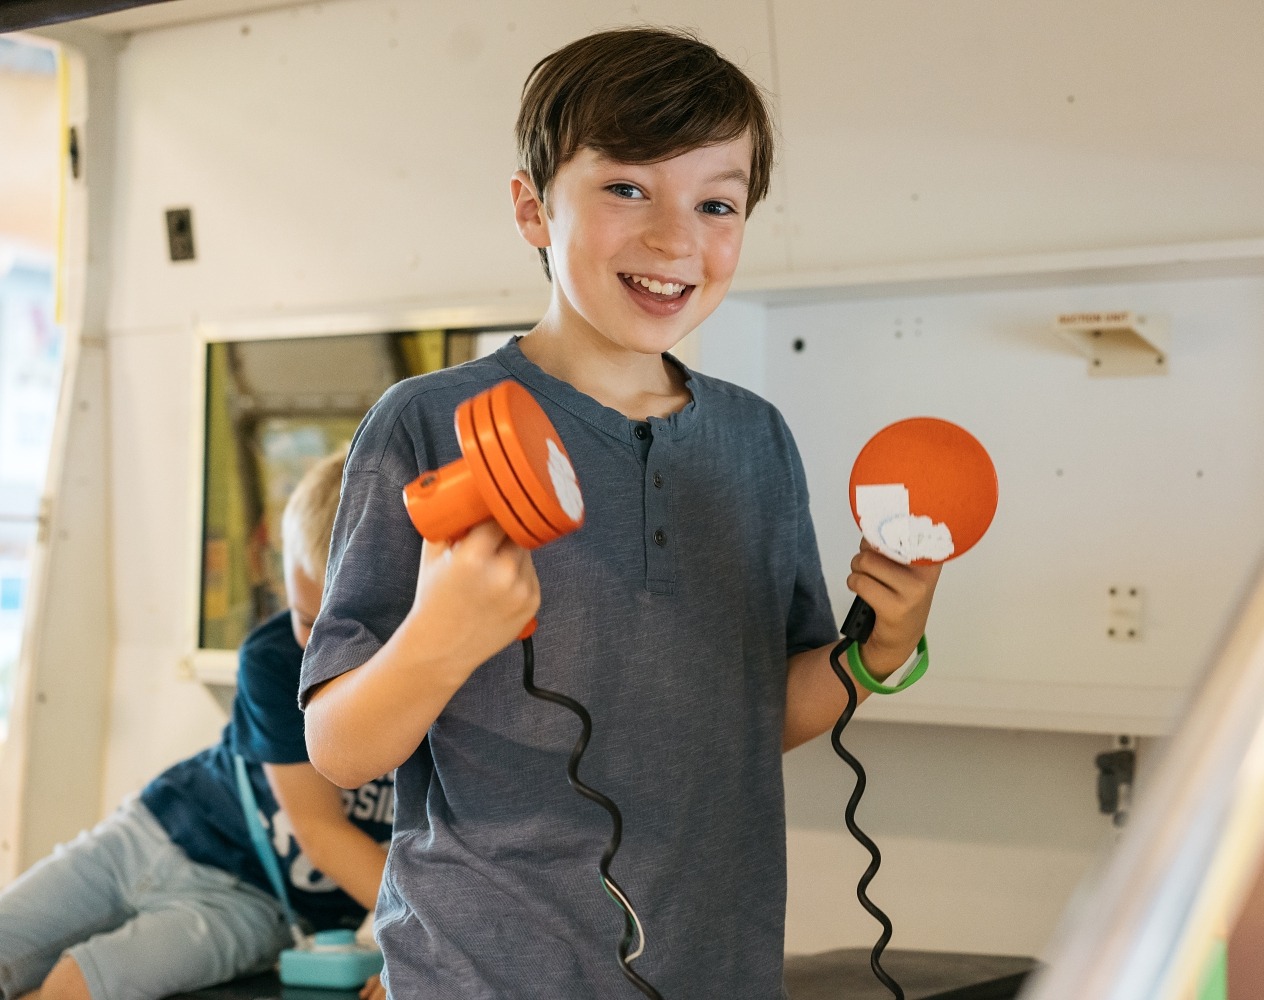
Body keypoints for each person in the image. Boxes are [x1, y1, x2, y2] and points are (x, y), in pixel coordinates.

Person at [301, 26, 943, 999]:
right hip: (475, 977)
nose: (674, 238)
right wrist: (442, 636)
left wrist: (876, 652)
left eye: (716, 202)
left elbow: (748, 716)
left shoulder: (756, 439)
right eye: (627, 188)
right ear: (532, 207)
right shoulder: (424, 421)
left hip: (714, 969)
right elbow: (340, 746)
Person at [0, 446, 393, 1000]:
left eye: (341, 623)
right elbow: (321, 831)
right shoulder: (275, 658)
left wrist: (421, 946)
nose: (319, 643)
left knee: (76, 986)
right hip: (151, 832)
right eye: (306, 618)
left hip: (252, 903)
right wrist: (422, 931)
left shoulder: (437, 692)